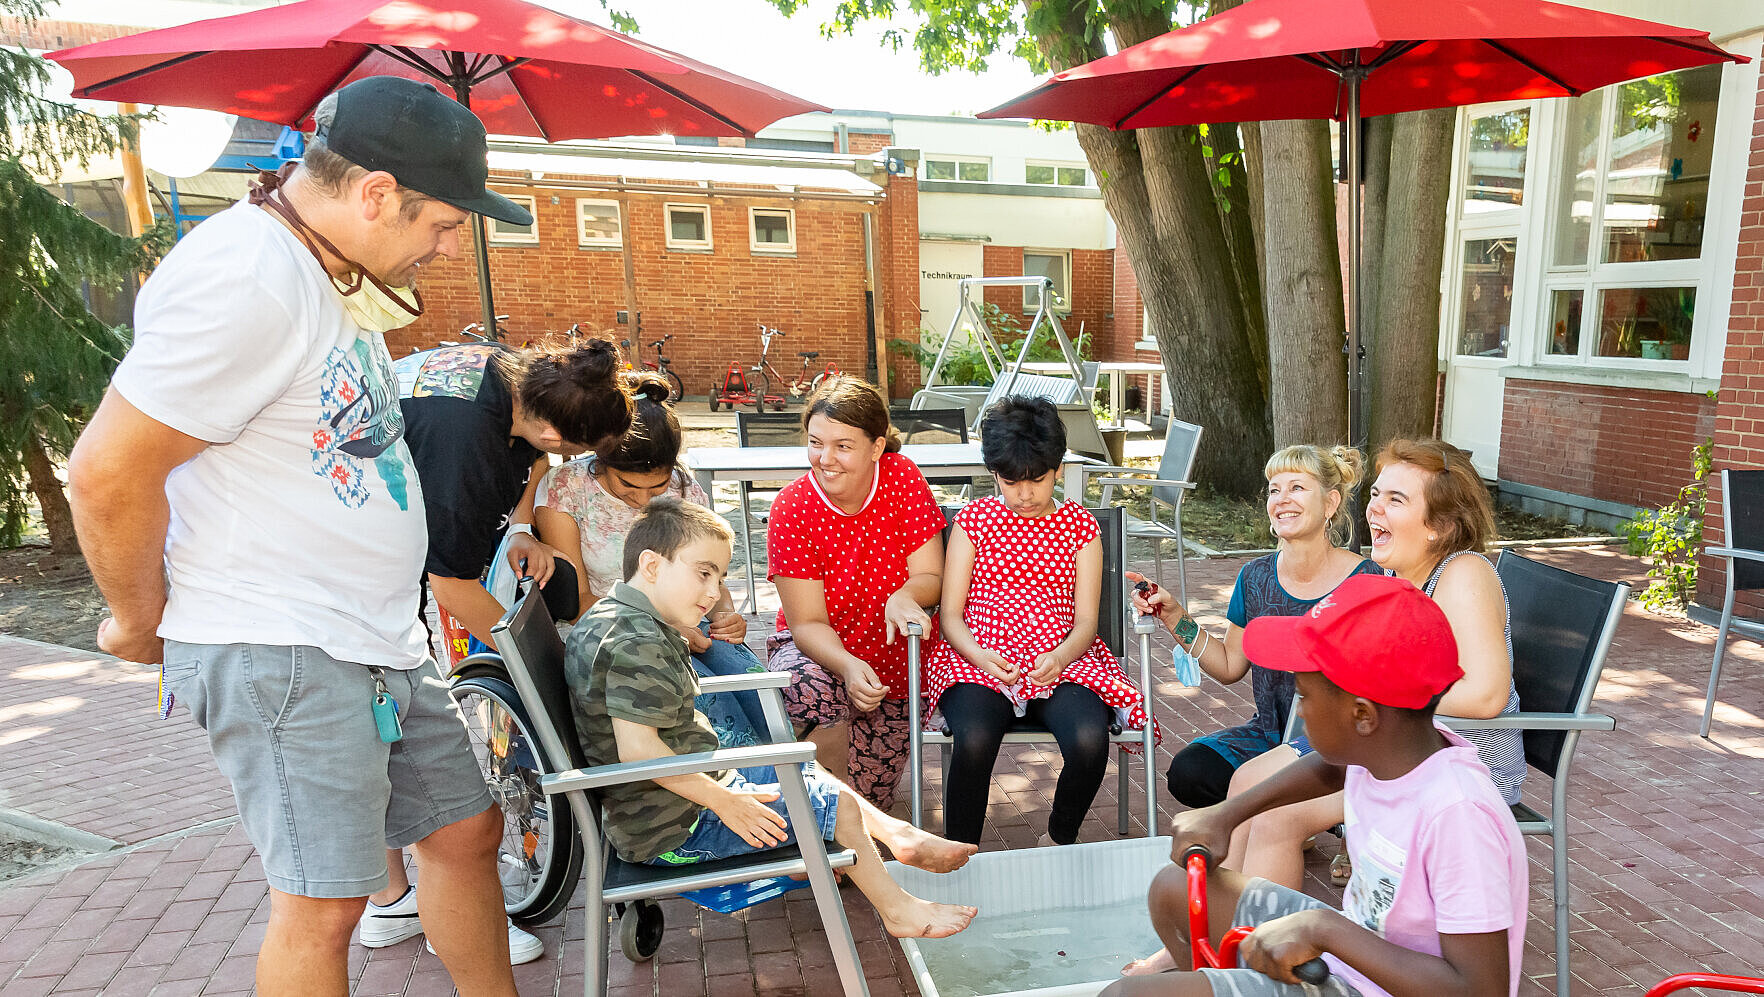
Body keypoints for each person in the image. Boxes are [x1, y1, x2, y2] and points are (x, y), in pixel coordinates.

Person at [67, 76, 528, 995]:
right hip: (281, 638)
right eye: (441, 225)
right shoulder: (250, 277)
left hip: (369, 632)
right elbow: (108, 470)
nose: (445, 249)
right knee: (322, 907)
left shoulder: (319, 267)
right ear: (375, 195)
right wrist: (136, 616)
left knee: (465, 830)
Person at [565, 497, 979, 938]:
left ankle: (898, 835)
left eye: (720, 577)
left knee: (796, 760)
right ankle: (897, 911)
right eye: (703, 573)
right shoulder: (636, 642)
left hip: (686, 788)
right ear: (651, 566)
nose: (713, 592)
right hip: (674, 826)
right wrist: (726, 802)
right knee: (833, 807)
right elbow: (639, 751)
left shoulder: (615, 616)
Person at [1100, 574, 1527, 997]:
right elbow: (1329, 768)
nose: (1299, 710)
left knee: (1124, 996)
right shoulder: (1386, 751)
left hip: (1376, 983)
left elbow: (1480, 988)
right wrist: (1227, 814)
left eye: (1303, 695)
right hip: (1354, 955)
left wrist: (1324, 929)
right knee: (1171, 889)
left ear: (1362, 715)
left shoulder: (1457, 816)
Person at [357, 336, 633, 960]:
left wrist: (518, 525)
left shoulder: (520, 379)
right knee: (403, 729)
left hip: (379, 538)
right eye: (568, 445)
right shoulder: (463, 446)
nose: (563, 459)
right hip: (349, 571)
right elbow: (450, 585)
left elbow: (532, 466)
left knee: (385, 721)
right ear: (542, 420)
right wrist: (535, 665)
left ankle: (392, 899)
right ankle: (440, 908)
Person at [1205, 438, 1525, 896]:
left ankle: (1252, 951)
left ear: (1439, 525)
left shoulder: (1463, 574)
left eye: (1396, 499)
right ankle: (1214, 934)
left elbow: (1487, 696)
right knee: (1247, 781)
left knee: (1278, 815)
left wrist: (1370, 693)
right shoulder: (1394, 574)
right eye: (1376, 494)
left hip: (1455, 767)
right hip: (1391, 748)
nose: (1375, 509)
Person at [926, 396, 1152, 846]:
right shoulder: (973, 521)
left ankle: (1058, 838)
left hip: (1063, 656)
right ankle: (958, 850)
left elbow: (1086, 622)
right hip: (977, 655)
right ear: (994, 474)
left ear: (1059, 470)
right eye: (1010, 482)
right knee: (972, 739)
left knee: (1090, 741)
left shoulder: (1081, 529)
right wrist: (981, 655)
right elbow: (950, 616)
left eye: (1037, 480)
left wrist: (1060, 655)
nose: (1024, 494)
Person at [534, 372, 767, 744]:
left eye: (657, 486)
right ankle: (743, 787)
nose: (643, 501)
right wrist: (668, 628)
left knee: (757, 688)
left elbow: (712, 578)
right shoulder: (567, 489)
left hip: (693, 627)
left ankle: (787, 777)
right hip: (614, 634)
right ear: (600, 460)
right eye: (626, 485)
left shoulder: (685, 486)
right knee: (710, 703)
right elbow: (576, 602)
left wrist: (724, 614)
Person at [1146, 445, 1379, 813]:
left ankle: (1312, 819)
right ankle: (1290, 818)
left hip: (1340, 744)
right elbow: (1228, 666)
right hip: (1270, 735)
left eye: (1297, 488)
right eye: (1274, 489)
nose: (1282, 499)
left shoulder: (1368, 580)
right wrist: (1174, 615)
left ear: (1331, 503)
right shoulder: (1254, 577)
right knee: (1190, 773)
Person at [765, 377, 945, 808]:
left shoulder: (902, 479)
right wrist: (846, 665)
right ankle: (829, 824)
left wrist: (904, 597)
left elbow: (931, 577)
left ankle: (840, 816)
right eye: (815, 443)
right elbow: (806, 623)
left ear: (877, 446)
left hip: (899, 668)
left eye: (843, 446)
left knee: (869, 801)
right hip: (821, 654)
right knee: (806, 690)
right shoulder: (792, 508)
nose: (825, 459)